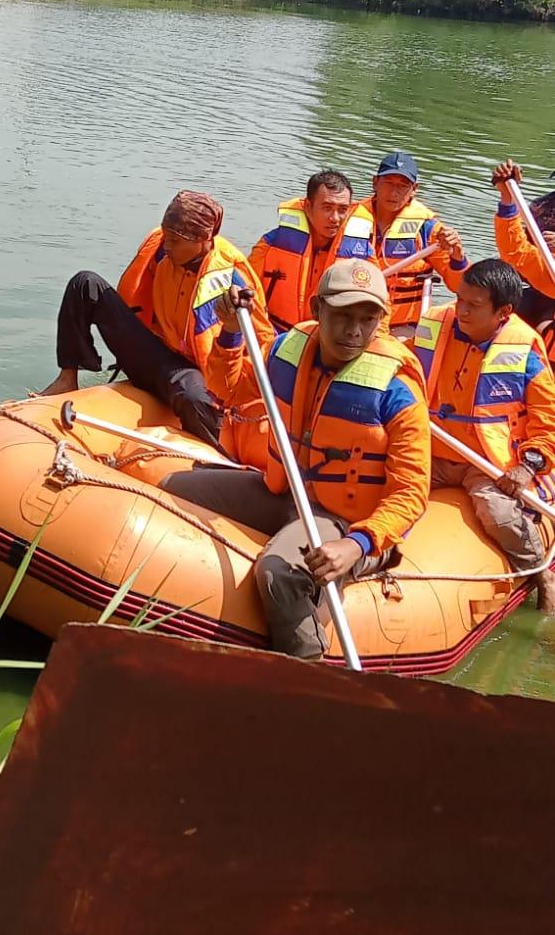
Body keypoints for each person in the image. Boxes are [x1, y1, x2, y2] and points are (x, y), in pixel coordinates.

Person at [163, 260, 430, 659]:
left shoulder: (397, 392)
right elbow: (228, 390)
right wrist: (232, 334)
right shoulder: (287, 350)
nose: (354, 330)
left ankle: (310, 670)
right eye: (342, 315)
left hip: (347, 520)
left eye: (366, 318)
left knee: (278, 571)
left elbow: (411, 493)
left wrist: (356, 545)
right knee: (171, 488)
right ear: (316, 307)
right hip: (281, 490)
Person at [39, 191, 274, 448]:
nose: (167, 245)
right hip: (156, 352)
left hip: (194, 374)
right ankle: (67, 379)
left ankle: (212, 454)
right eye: (166, 237)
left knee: (193, 397)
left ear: (202, 240)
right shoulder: (162, 252)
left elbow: (263, 344)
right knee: (85, 284)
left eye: (174, 240)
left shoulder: (234, 279)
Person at [412, 258, 555, 612]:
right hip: (433, 448)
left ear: (503, 311)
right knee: (379, 483)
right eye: (459, 299)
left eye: (473, 306)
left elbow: (547, 418)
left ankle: (541, 576)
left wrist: (528, 466)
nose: (460, 310)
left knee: (498, 515)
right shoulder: (434, 323)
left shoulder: (524, 349)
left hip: (488, 463)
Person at [250, 169, 375, 335]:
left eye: (342, 209)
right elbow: (247, 288)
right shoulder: (271, 244)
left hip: (330, 344)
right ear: (308, 207)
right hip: (275, 335)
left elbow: (379, 307)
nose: (335, 218)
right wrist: (266, 340)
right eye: (327, 208)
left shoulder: (364, 254)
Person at [358, 150, 467, 337]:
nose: (394, 192)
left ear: (414, 189)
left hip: (401, 329)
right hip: (355, 318)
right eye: (389, 183)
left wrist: (458, 257)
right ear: (375, 183)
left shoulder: (428, 230)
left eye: (403, 186)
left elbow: (459, 287)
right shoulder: (351, 219)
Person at [491, 159, 555, 363]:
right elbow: (516, 252)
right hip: (541, 286)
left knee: (545, 330)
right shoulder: (543, 207)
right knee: (492, 317)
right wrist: (508, 198)